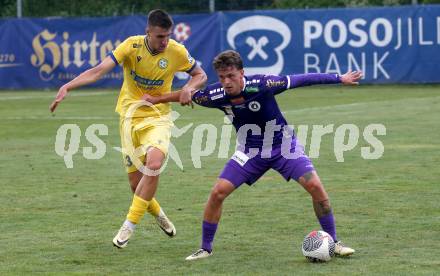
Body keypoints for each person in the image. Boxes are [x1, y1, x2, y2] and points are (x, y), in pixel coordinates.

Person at [142, 50, 362, 260]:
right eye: (222, 77)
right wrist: (157, 99)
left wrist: (338, 78)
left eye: (231, 76)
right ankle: (205, 249)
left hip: (283, 147)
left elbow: (301, 79)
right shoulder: (215, 95)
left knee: (316, 188)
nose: (226, 82)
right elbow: (186, 94)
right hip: (250, 151)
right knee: (218, 192)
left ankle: (334, 242)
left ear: (242, 73)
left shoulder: (264, 84)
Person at [49, 9, 207, 248]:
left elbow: (200, 74)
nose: (165, 41)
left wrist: (189, 87)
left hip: (158, 117)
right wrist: (68, 86)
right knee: (136, 186)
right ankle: (158, 214)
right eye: (160, 36)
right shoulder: (131, 47)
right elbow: (98, 70)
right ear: (148, 32)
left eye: (167, 36)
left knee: (154, 165)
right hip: (129, 117)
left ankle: (128, 226)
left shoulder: (177, 51)